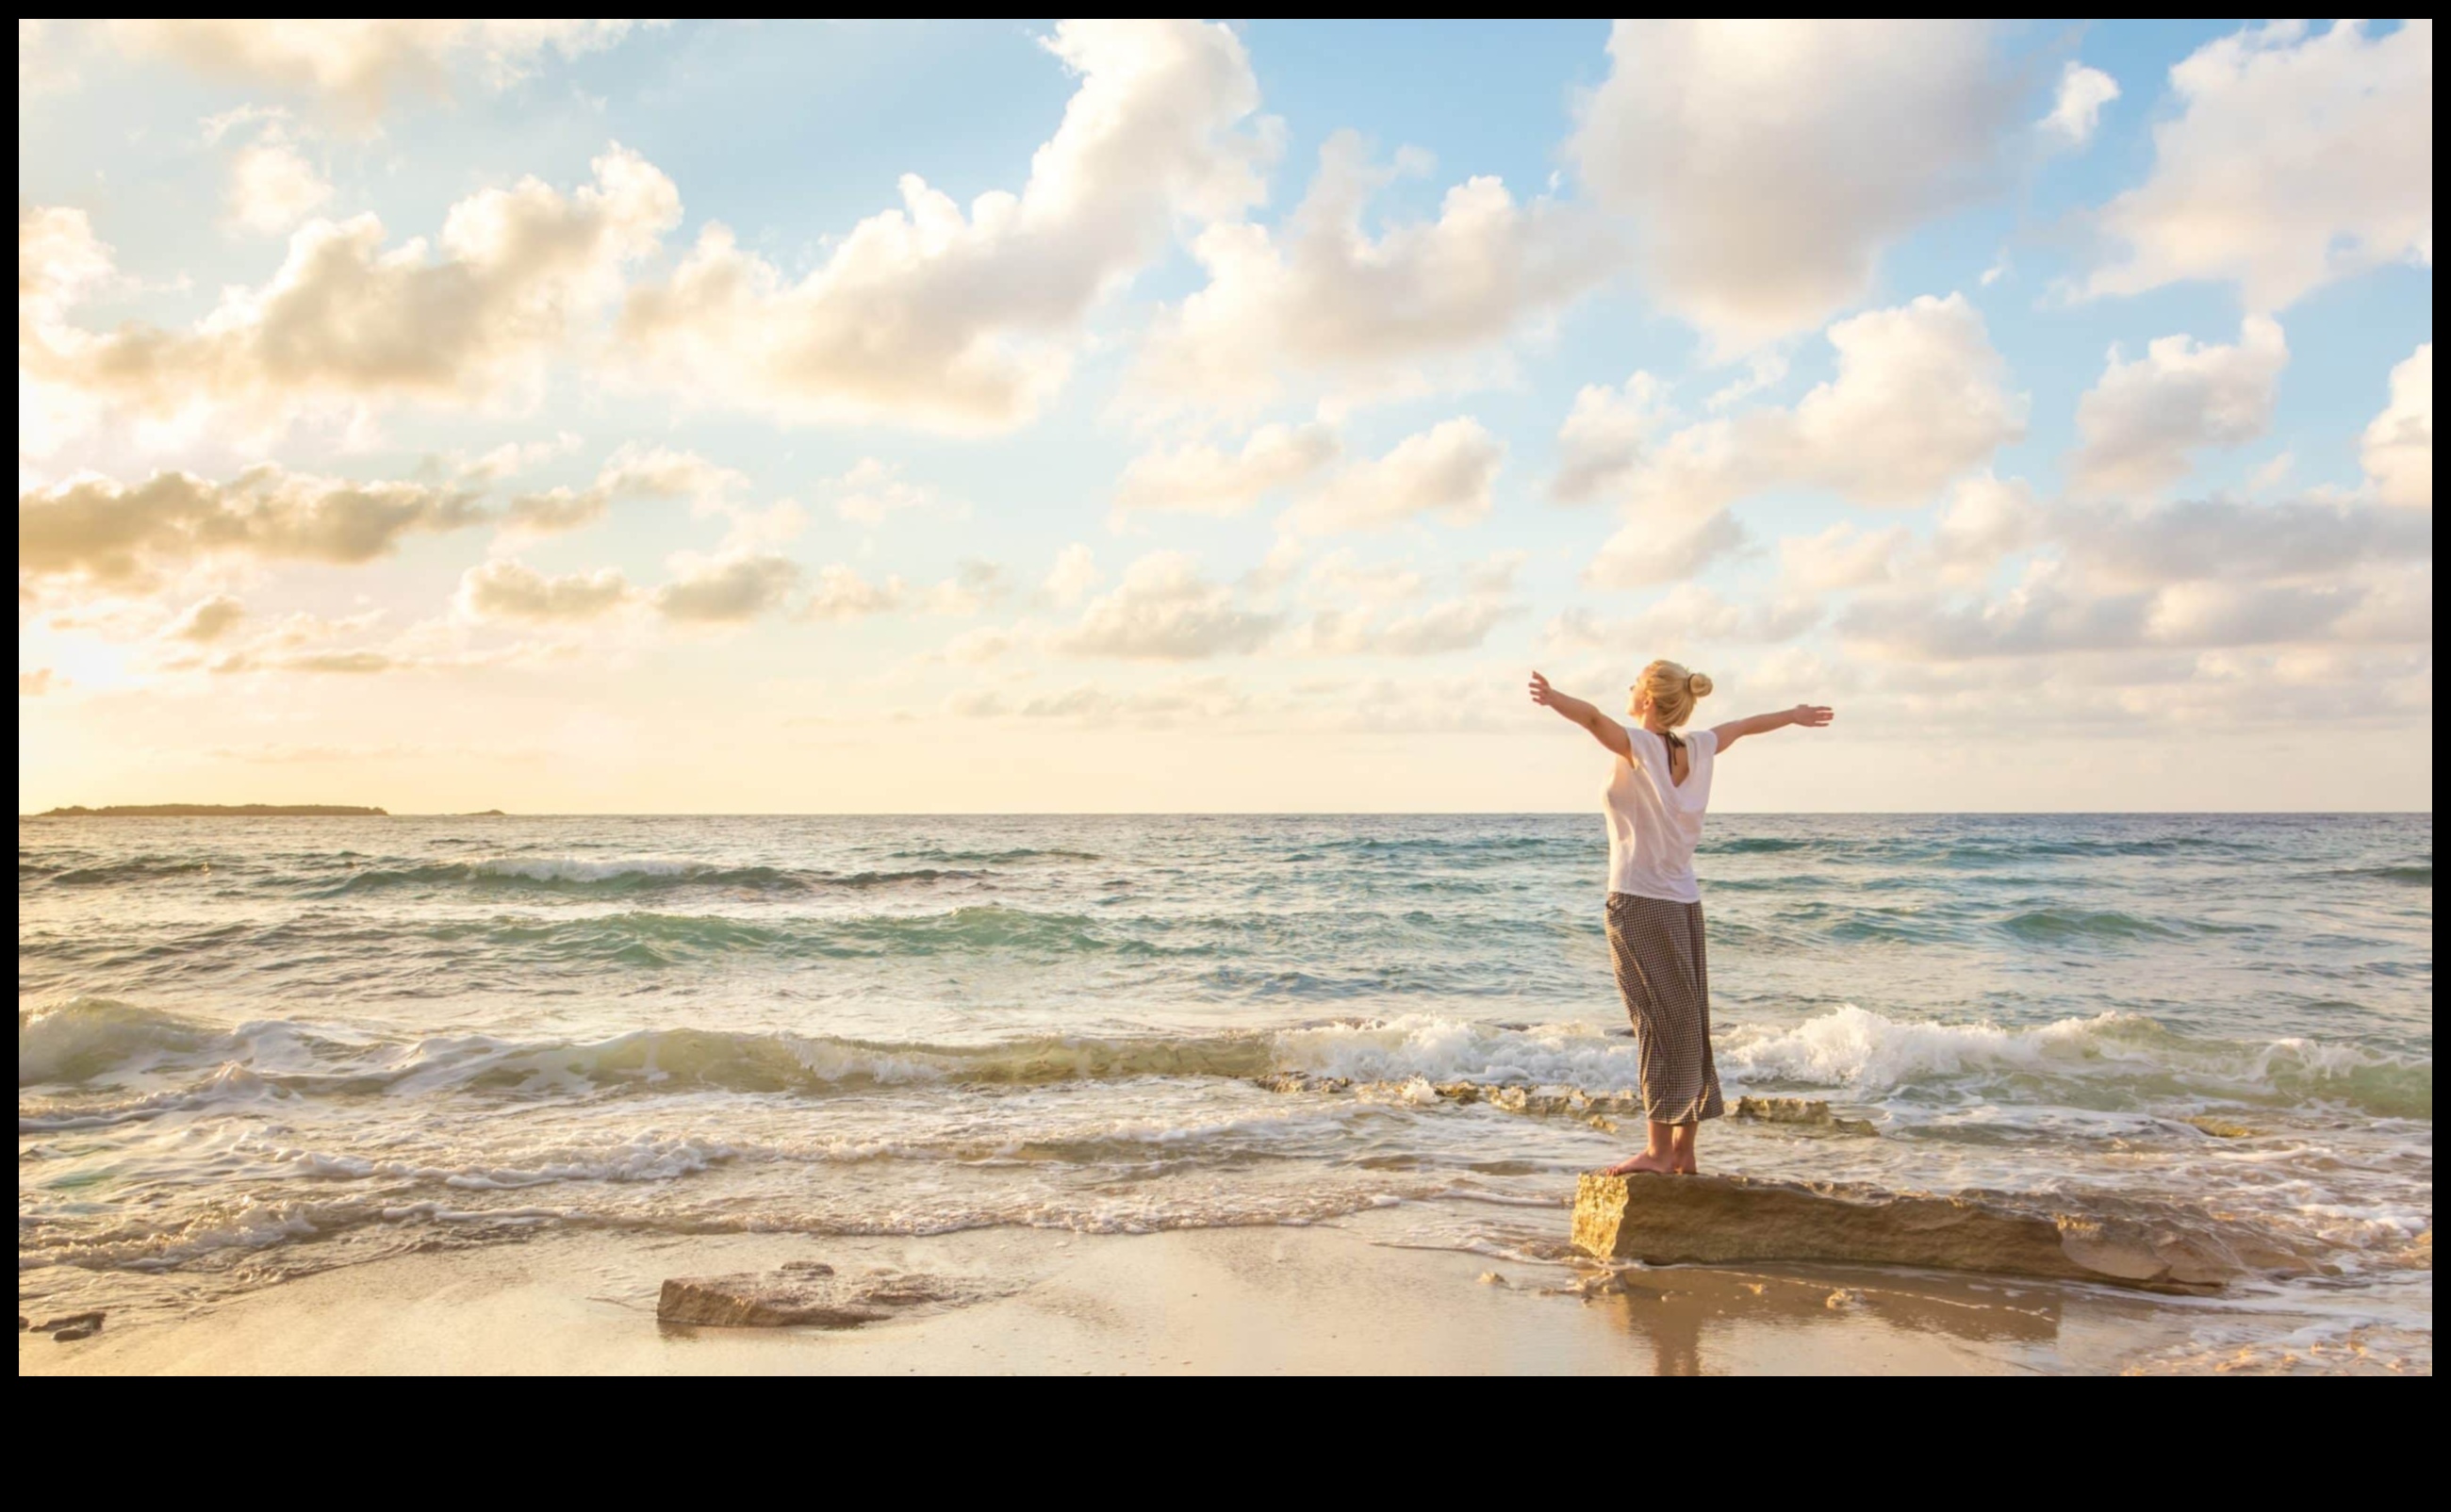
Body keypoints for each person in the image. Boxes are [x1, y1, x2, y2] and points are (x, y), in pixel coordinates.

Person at [1528, 662, 1834, 1175]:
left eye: (1634, 685)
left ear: (1647, 698)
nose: (1629, 692)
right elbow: (1746, 725)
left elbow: (1593, 719)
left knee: (1656, 1025)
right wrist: (1795, 715)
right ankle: (1684, 1151)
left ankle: (1656, 1152)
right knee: (1689, 1024)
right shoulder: (1700, 747)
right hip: (1685, 903)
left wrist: (1554, 697)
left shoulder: (1640, 746)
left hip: (1638, 902)